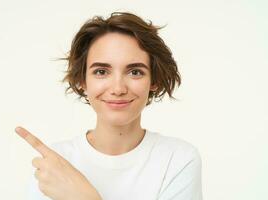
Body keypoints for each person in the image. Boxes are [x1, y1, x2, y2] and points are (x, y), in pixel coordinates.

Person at [22, 11, 203, 200]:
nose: (118, 89)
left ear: (154, 80)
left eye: (135, 72)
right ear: (82, 81)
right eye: (101, 71)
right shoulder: (55, 163)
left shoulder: (178, 159)